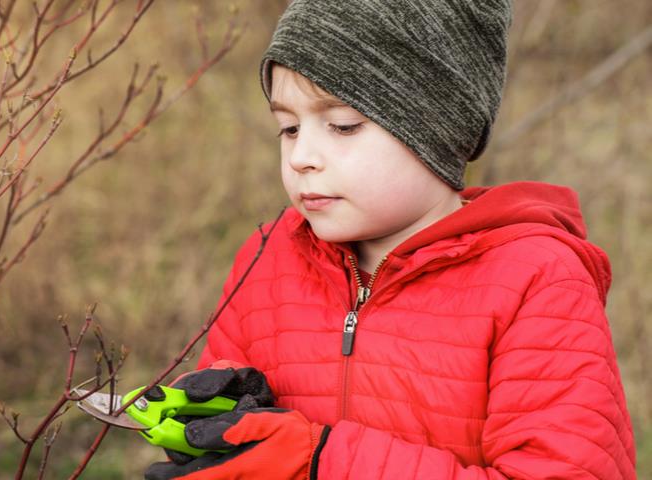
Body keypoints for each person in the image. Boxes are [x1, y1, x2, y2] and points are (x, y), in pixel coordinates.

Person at [145, 1, 636, 478]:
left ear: (438, 130)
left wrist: (318, 462)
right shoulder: (269, 257)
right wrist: (217, 427)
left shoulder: (534, 278)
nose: (301, 157)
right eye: (289, 128)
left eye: (343, 126)